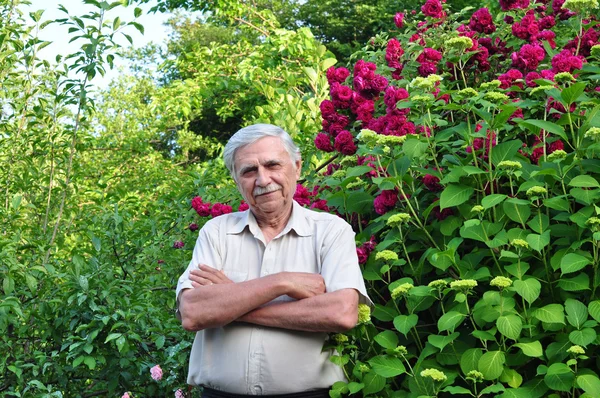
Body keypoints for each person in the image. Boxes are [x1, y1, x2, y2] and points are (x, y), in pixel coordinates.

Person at [176, 123, 371, 397]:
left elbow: (341, 312)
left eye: (272, 165)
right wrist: (282, 283)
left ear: (297, 167)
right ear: (236, 179)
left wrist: (231, 306)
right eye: (249, 171)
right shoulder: (216, 232)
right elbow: (194, 313)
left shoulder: (330, 230)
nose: (263, 180)